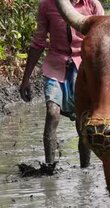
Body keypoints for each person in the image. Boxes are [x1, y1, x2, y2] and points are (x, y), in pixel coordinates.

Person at [19, 0, 104, 168]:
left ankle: (84, 170)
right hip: (55, 65)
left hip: (84, 68)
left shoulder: (92, 5)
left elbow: (102, 39)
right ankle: (49, 167)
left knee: (83, 122)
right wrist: (26, 79)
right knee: (52, 113)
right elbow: (39, 41)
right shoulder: (47, 5)